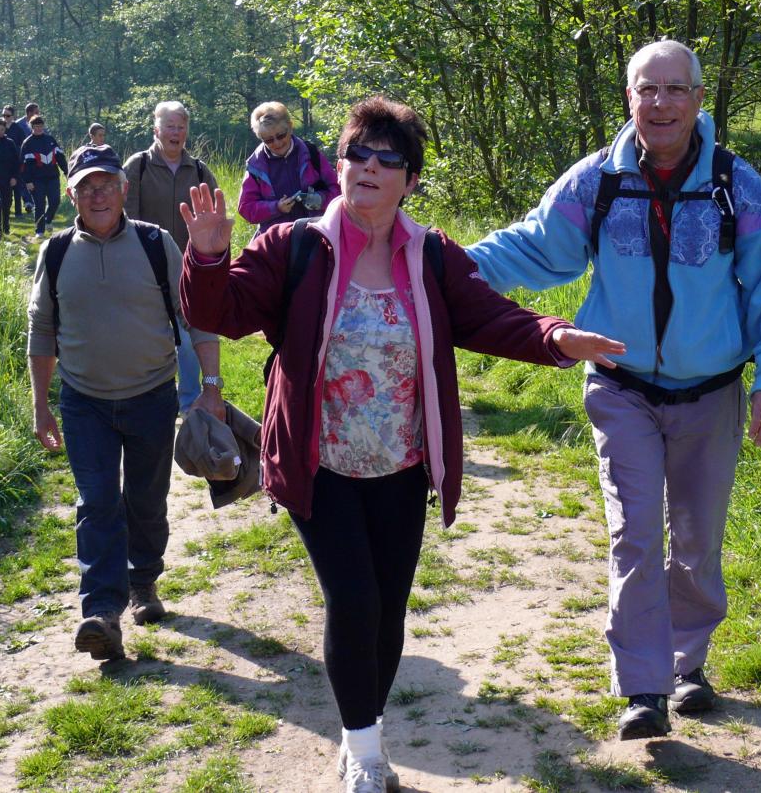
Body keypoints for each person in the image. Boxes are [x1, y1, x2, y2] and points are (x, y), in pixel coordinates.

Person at [179, 96, 626, 793]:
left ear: (410, 180)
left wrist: (556, 337)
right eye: (359, 152)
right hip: (317, 460)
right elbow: (220, 313)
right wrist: (208, 256)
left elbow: (489, 318)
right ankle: (362, 751)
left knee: (388, 608)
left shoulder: (433, 256)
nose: (370, 167)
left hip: (402, 463)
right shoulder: (294, 246)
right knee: (353, 600)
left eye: (389, 159)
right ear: (339, 164)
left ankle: (368, 725)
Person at [464, 40, 761, 740]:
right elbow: (532, 246)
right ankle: (643, 686)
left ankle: (689, 664)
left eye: (675, 89)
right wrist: (437, 267)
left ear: (699, 100)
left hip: (712, 391)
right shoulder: (597, 181)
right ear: (629, 99)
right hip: (620, 388)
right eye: (647, 90)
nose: (661, 104)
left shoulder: (737, 186)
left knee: (698, 539)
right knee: (636, 537)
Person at [27, 143, 223, 662]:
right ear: (71, 194)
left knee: (145, 499)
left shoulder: (156, 244)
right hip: (83, 402)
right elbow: (42, 329)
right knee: (97, 503)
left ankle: (144, 582)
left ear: (124, 190)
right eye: (87, 186)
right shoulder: (57, 251)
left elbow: (195, 312)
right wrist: (41, 405)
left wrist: (212, 383)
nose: (97, 194)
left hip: (151, 396)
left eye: (106, 184)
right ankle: (101, 612)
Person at [123, 100, 219, 410]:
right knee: (149, 335)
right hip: (146, 265)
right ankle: (145, 395)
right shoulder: (136, 167)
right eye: (169, 127)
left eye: (180, 127)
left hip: (190, 269)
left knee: (189, 338)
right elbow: (124, 220)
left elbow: (216, 219)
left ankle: (188, 402)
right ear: (156, 130)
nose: (175, 133)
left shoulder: (200, 170)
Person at [238, 101, 340, 234]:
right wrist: (276, 207)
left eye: (281, 135)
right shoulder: (255, 166)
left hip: (316, 234)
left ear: (290, 127)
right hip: (276, 241)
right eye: (269, 140)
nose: (277, 143)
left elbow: (339, 190)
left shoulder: (311, 153)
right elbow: (246, 208)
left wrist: (320, 199)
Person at [20, 114, 67, 237]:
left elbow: (60, 157)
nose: (39, 128)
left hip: (53, 177)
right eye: (36, 126)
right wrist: (28, 181)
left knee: (55, 201)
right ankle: (39, 231)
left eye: (41, 126)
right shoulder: (27, 143)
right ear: (32, 127)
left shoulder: (50, 140)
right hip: (36, 180)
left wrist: (67, 172)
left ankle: (48, 220)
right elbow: (23, 165)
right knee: (39, 205)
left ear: (43, 126)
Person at [2, 105, 31, 218]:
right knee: (5, 187)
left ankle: (18, 212)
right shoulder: (1, 127)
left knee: (17, 187)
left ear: (13, 116)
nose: (5, 117)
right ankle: (6, 210)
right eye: (3, 115)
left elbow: (23, 144)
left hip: (16, 160)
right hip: (3, 162)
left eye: (7, 115)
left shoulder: (17, 129)